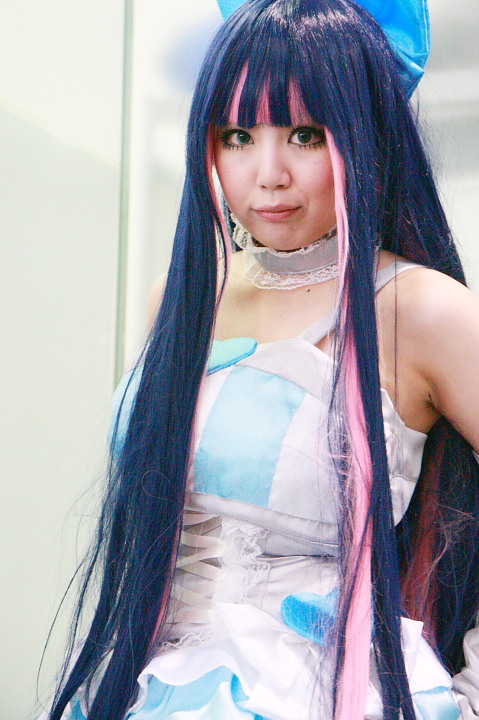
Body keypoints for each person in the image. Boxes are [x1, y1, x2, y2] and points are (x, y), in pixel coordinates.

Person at [41, 0, 479, 719]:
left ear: (368, 135)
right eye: (238, 135)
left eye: (305, 134)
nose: (267, 174)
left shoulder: (419, 309)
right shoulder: (181, 298)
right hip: (138, 684)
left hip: (322, 693)